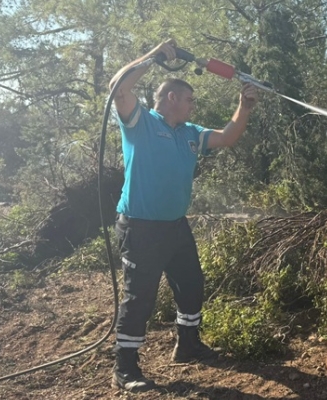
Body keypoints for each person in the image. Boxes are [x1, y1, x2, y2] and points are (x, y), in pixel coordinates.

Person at [107, 39, 258, 392]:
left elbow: (227, 137)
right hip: (141, 227)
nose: (193, 105)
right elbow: (118, 87)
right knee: (139, 296)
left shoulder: (191, 134)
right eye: (189, 99)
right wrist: (153, 57)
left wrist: (244, 107)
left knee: (191, 284)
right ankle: (125, 367)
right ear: (172, 97)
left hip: (176, 226)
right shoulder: (140, 121)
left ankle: (187, 345)